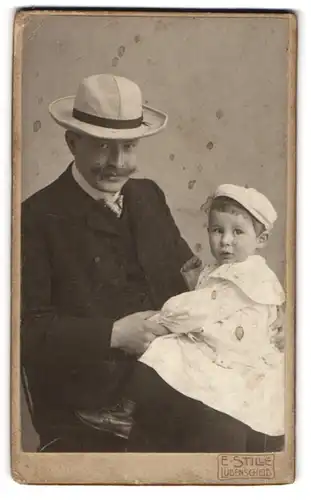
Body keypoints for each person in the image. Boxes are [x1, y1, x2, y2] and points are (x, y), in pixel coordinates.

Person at [21, 74, 195, 452]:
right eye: (102, 147)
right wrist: (114, 334)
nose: (118, 163)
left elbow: (188, 275)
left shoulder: (149, 197)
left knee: (258, 428)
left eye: (128, 147)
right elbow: (26, 333)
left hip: (173, 384)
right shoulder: (33, 219)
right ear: (72, 142)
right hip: (89, 411)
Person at [79, 184, 286, 452]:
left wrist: (165, 316)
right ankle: (130, 410)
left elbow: (202, 306)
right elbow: (213, 298)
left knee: (166, 349)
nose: (225, 241)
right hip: (232, 344)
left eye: (237, 232)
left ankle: (127, 409)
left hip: (235, 352)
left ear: (261, 240)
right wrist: (193, 281)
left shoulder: (244, 275)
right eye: (217, 230)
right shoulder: (239, 270)